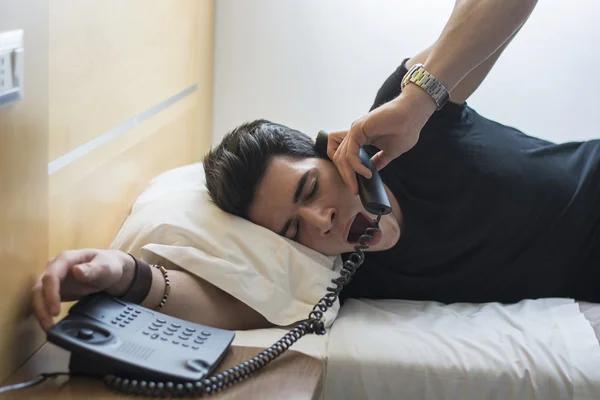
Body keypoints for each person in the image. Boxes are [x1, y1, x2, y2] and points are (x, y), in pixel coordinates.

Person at [33, 0, 599, 333]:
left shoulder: (401, 126)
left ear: (331, 148)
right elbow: (230, 303)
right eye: (293, 228)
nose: (322, 222)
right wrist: (121, 273)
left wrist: (418, 99)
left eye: (309, 188)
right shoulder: (336, 270)